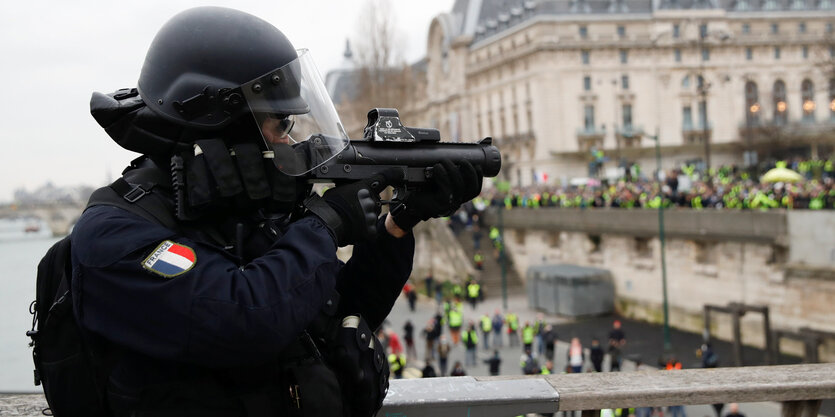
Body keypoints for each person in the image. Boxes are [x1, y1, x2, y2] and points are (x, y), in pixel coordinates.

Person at [71, 7, 483, 417]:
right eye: (279, 122)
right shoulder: (115, 233)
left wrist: (397, 224)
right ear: (222, 122)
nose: (287, 140)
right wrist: (327, 223)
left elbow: (337, 319)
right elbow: (247, 320)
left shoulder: (240, 215)